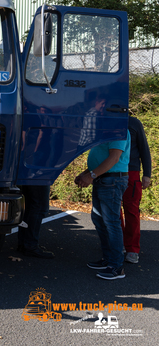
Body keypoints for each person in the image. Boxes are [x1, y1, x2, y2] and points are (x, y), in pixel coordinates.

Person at [74, 132, 130, 280]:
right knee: (99, 219)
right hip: (103, 179)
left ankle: (117, 266)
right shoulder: (107, 129)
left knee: (111, 222)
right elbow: (101, 158)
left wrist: (90, 176)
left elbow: (114, 158)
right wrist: (86, 173)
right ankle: (109, 259)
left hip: (112, 181)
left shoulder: (118, 130)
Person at [120, 115, 152, 264]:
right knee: (113, 211)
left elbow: (144, 149)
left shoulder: (133, 122)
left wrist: (147, 175)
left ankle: (132, 249)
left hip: (131, 172)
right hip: (110, 170)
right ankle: (118, 243)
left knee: (131, 211)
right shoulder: (107, 119)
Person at [17, 185, 54, 258]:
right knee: (39, 207)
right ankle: (30, 245)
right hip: (39, 176)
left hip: (29, 176)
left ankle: (23, 243)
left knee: (29, 206)